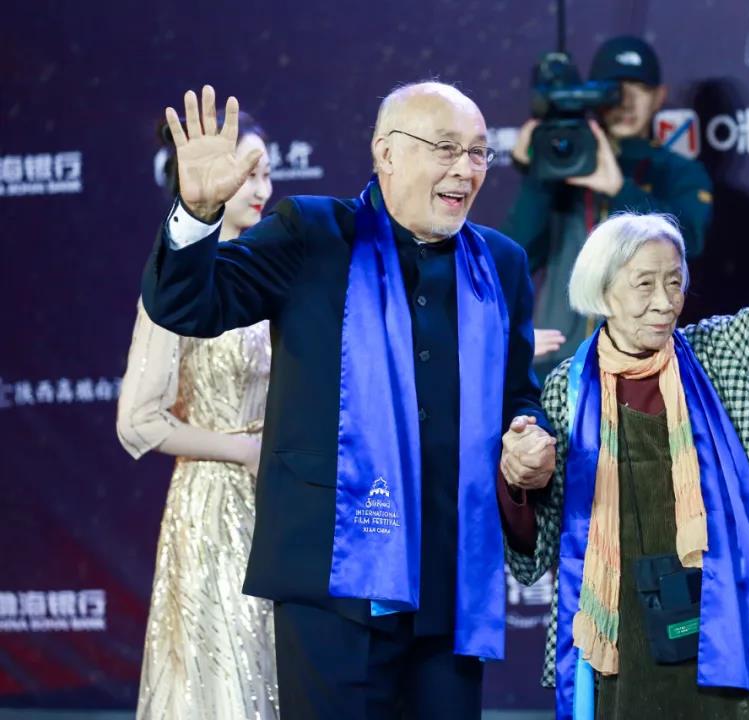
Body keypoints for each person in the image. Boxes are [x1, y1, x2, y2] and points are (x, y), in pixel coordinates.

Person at [140, 81, 555, 719]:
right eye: (446, 148)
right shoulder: (311, 233)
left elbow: (517, 394)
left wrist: (528, 435)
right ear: (385, 152)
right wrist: (196, 215)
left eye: (478, 152)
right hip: (332, 581)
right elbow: (187, 306)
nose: (465, 169)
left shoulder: (500, 263)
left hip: (449, 584)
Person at [509, 88, 749, 719]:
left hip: (728, 608)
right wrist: (519, 481)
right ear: (604, 292)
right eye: (644, 285)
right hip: (618, 627)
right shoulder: (566, 390)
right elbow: (537, 536)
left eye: (675, 283)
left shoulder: (720, 354)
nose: (664, 302)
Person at [117, 111, 278, 720]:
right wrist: (243, 449)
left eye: (267, 174)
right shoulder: (176, 285)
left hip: (281, 500)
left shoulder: (275, 276)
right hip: (212, 503)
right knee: (224, 675)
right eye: (249, 173)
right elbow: (138, 419)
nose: (261, 188)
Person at [503, 35, 713, 376]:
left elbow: (690, 241)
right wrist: (537, 176)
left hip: (647, 368)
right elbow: (517, 255)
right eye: (613, 90)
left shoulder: (679, 172)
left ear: (659, 96)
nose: (626, 101)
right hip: (560, 366)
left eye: (639, 88)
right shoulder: (563, 168)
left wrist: (619, 188)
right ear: (591, 95)